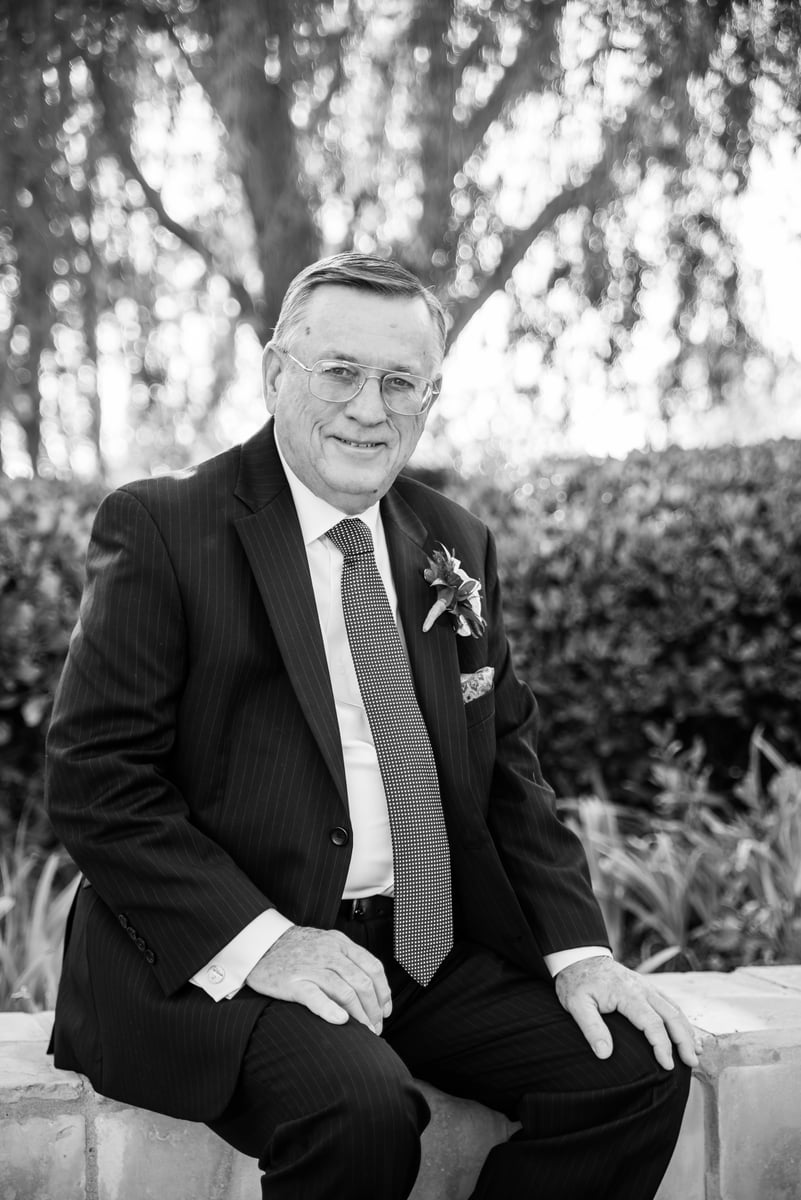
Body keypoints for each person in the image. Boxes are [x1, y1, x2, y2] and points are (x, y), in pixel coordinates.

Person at [47, 252, 696, 1200]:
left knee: (636, 1068)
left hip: (420, 946)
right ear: (276, 373)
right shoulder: (165, 524)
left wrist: (581, 954)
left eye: (399, 382)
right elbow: (97, 779)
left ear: (429, 397)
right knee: (360, 1112)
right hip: (228, 950)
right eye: (340, 372)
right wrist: (270, 943)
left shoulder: (453, 540)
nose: (368, 407)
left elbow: (507, 768)